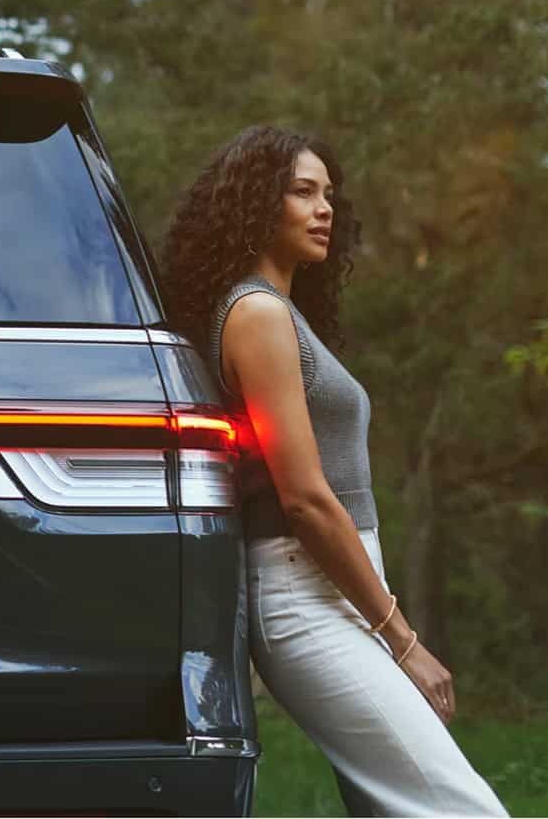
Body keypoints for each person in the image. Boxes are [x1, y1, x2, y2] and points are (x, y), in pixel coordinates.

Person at [159, 125, 506, 817]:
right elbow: (307, 501)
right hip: (305, 600)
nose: (326, 209)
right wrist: (404, 640)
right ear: (259, 204)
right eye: (302, 192)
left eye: (330, 195)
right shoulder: (256, 313)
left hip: (338, 592)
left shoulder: (281, 313)